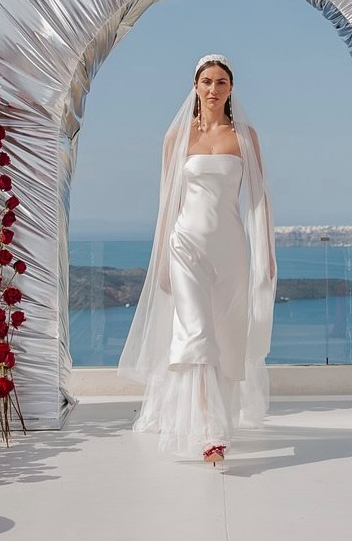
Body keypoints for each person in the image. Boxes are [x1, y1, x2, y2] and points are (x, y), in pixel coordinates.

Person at [117, 54, 277, 466]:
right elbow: (165, 203)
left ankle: (216, 419)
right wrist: (162, 261)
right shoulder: (176, 138)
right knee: (196, 334)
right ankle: (211, 433)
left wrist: (266, 255)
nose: (213, 89)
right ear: (195, 86)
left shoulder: (245, 137)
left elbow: (259, 201)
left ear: (230, 89)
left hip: (231, 249)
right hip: (185, 244)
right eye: (206, 81)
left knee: (224, 336)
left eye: (221, 82)